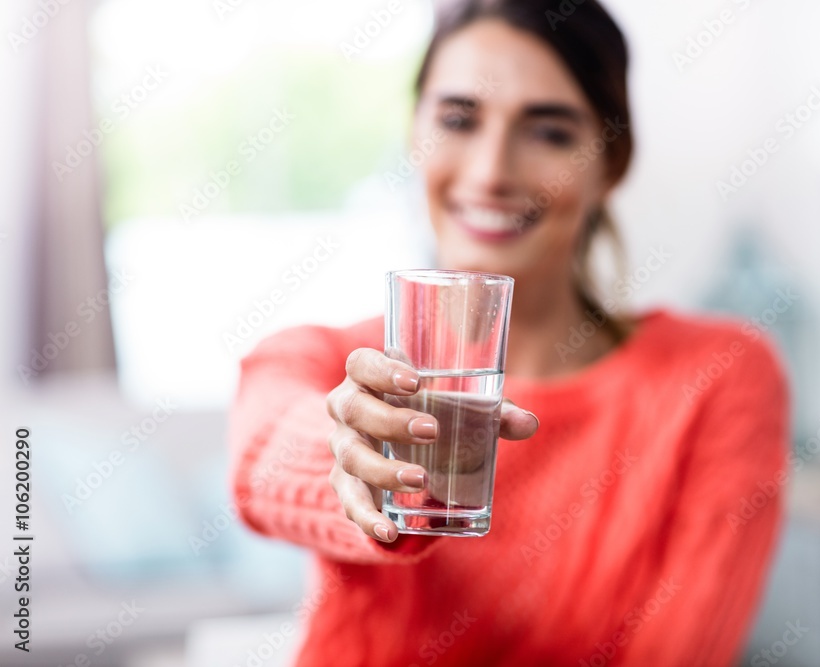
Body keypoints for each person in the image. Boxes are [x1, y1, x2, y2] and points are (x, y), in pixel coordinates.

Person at [228, 1, 789, 664]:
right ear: (414, 134)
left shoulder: (716, 376)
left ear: (610, 163)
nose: (492, 171)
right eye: (458, 120)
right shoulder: (330, 363)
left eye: (549, 132)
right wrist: (357, 460)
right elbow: (263, 453)